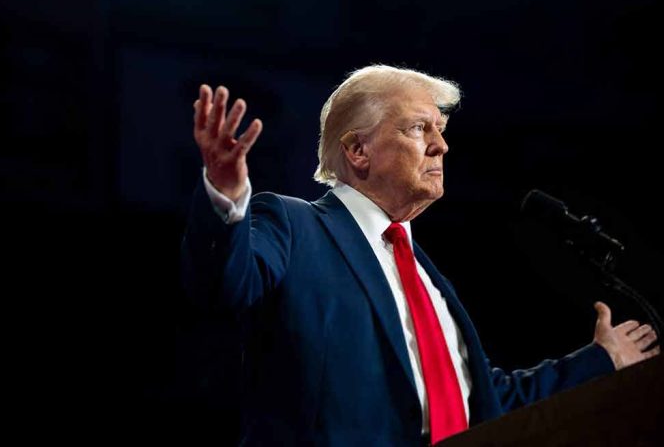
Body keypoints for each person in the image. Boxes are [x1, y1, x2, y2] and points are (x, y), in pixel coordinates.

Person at [181, 65, 659, 446]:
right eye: (418, 127)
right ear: (358, 150)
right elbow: (224, 283)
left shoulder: (429, 281)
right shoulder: (294, 225)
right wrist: (226, 196)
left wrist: (600, 361)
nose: (442, 144)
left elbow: (486, 402)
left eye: (441, 128)